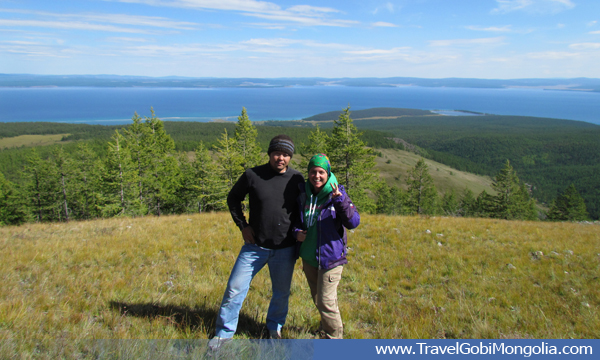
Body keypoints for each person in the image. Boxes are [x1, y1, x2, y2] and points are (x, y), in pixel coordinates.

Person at [209, 135, 304, 350]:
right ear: (270, 153)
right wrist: (243, 225)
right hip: (255, 247)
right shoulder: (253, 175)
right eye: (277, 153)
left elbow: (303, 208)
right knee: (234, 288)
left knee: (281, 293)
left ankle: (274, 328)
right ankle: (224, 334)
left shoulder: (297, 179)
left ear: (290, 157)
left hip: (285, 248)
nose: (281, 158)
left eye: (286, 154)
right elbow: (233, 198)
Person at [296, 153, 360, 339]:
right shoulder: (303, 194)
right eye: (313, 172)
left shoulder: (336, 193)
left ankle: (334, 339)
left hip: (330, 257)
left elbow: (353, 222)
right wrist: (295, 232)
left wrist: (340, 200)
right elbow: (295, 220)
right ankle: (326, 329)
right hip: (309, 256)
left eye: (321, 172)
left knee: (326, 301)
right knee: (317, 299)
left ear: (328, 173)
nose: (317, 176)